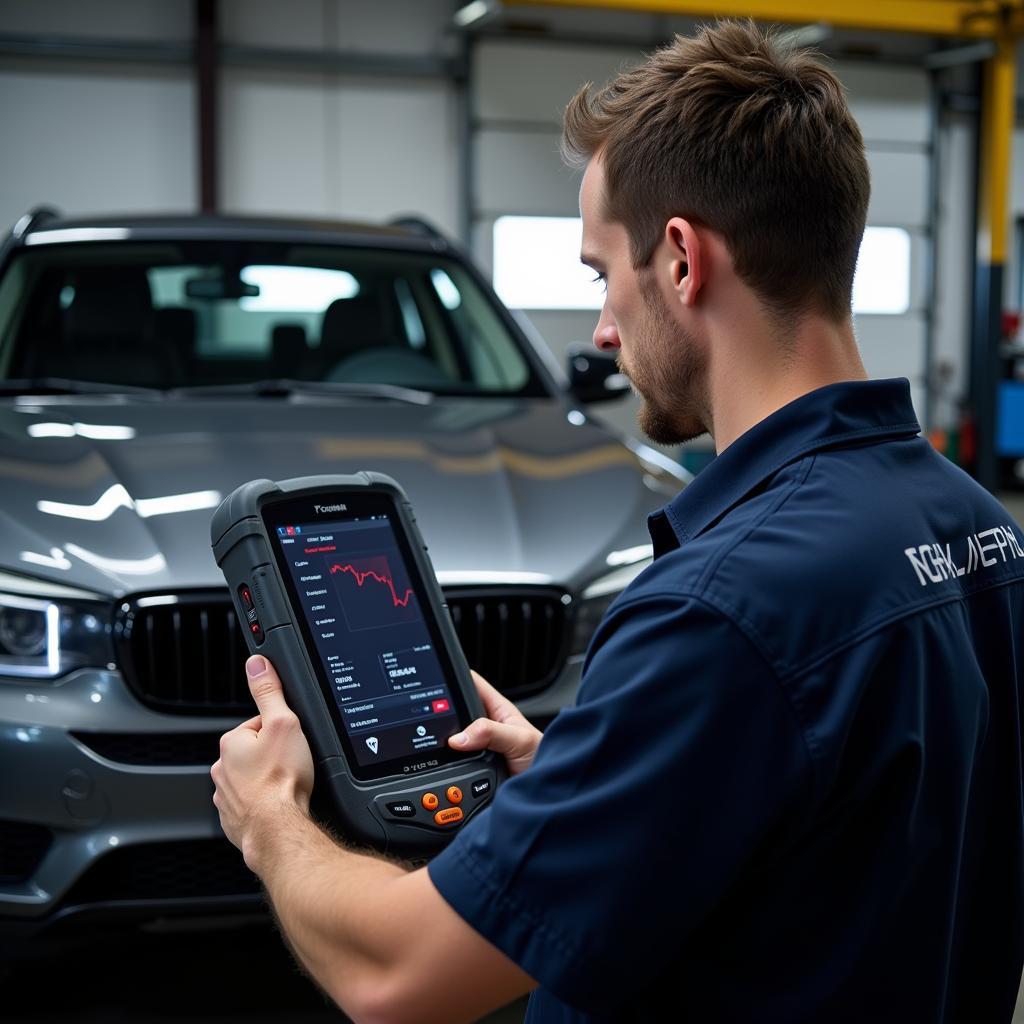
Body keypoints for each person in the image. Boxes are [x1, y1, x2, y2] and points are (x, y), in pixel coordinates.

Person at [212, 19, 1024, 1023]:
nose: (601, 328)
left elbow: (397, 976)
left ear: (680, 260)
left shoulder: (720, 613)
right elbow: (856, 836)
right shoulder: (981, 528)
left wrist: (272, 818)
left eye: (601, 273)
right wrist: (594, 778)